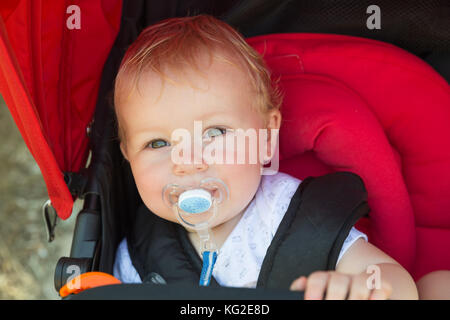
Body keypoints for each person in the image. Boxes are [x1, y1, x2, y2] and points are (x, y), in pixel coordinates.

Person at [112, 14, 418, 300]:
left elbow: (396, 281)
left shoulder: (295, 214)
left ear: (266, 136)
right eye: (157, 143)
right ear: (128, 156)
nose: (187, 161)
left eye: (215, 133)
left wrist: (356, 286)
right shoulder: (139, 255)